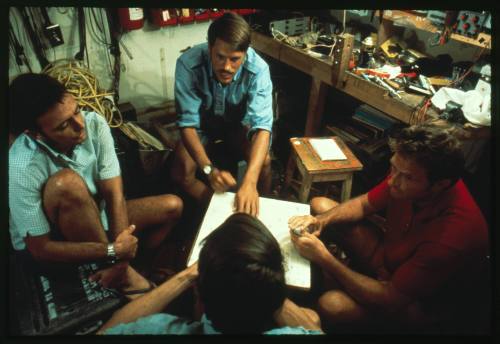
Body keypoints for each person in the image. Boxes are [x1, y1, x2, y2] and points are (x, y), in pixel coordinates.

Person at [288, 124, 489, 333]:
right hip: (392, 261)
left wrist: (325, 259)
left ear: (439, 185)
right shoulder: (407, 171)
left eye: (407, 177)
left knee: (332, 305)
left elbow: (391, 298)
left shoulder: (452, 235)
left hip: (413, 306)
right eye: (393, 168)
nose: (393, 180)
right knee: (322, 207)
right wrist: (321, 221)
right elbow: (363, 204)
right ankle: (351, 281)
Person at [9, 73, 183, 296]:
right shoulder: (20, 166)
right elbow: (40, 249)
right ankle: (127, 280)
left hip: (94, 219)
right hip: (53, 244)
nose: (80, 125)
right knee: (67, 183)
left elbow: (114, 195)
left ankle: (129, 271)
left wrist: (120, 259)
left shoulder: (95, 124)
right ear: (35, 134)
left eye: (77, 110)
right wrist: (112, 251)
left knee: (172, 206)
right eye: (64, 126)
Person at [99, 213, 323, 334]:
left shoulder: (160, 329)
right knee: (312, 317)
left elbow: (105, 333)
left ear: (198, 291)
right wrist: (263, 282)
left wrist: (185, 275)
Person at [171, 12, 273, 217]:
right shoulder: (187, 64)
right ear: (210, 48)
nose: (226, 67)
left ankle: (261, 212)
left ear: (245, 53)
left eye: (235, 59)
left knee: (264, 162)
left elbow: (262, 128)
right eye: (220, 57)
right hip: (201, 125)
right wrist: (209, 170)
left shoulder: (259, 69)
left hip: (237, 126)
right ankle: (219, 213)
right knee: (182, 171)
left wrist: (250, 183)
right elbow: (187, 125)